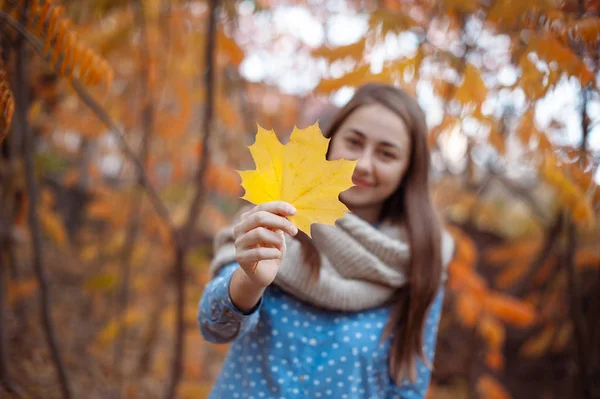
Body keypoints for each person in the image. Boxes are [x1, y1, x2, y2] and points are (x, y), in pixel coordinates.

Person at [197, 83, 455, 399]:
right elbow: (214, 327)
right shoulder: (276, 215)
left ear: (408, 170)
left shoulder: (419, 258)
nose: (363, 164)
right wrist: (249, 282)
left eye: (386, 154)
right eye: (354, 142)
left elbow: (407, 387)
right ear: (330, 142)